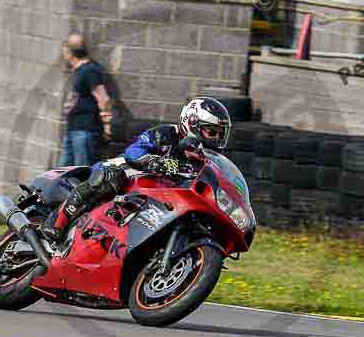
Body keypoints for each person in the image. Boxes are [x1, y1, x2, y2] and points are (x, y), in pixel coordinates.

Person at [42, 97, 232, 244]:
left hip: (154, 198)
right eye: (211, 132)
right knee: (110, 177)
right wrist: (152, 160)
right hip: (127, 176)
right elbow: (134, 151)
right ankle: (57, 222)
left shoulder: (204, 161)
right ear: (191, 123)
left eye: (219, 135)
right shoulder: (167, 134)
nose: (215, 139)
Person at [59, 34, 113, 167]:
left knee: (81, 173)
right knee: (62, 173)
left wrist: (107, 127)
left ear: (69, 52)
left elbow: (104, 99)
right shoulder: (79, 70)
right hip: (74, 129)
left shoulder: (90, 70)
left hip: (84, 131)